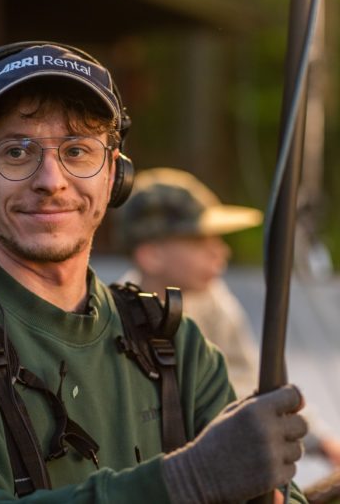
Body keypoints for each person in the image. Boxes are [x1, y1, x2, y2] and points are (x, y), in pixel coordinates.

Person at [0, 42, 307, 503]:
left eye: (77, 151)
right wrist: (185, 481)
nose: (51, 180)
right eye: (16, 151)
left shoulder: (173, 345)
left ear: (115, 174)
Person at [115, 166, 340, 467]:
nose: (220, 252)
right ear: (151, 255)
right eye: (200, 242)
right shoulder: (116, 320)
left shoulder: (212, 302)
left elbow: (251, 381)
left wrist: (320, 441)